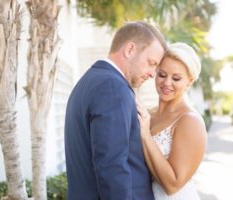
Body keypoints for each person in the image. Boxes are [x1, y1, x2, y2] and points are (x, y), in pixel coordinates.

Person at [64, 21, 166, 200]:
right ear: (129, 50)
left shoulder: (87, 82)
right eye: (151, 63)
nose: (152, 73)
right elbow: (111, 167)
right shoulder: (113, 88)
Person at [137, 42, 207, 200]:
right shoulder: (149, 114)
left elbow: (172, 185)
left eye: (176, 78)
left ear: (189, 82)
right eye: (162, 74)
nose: (167, 83)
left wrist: (146, 137)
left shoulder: (190, 121)